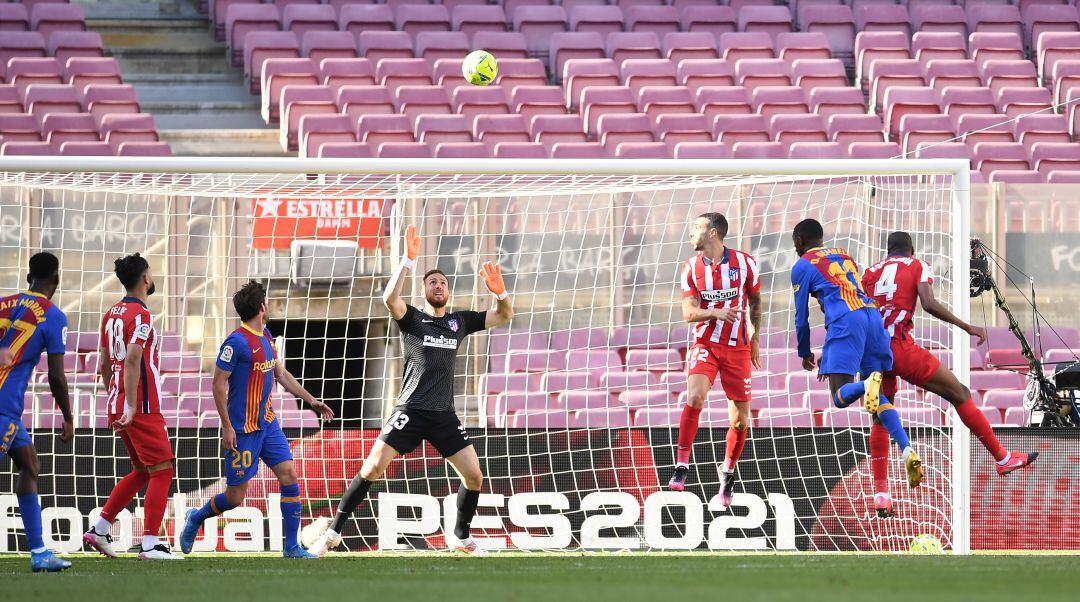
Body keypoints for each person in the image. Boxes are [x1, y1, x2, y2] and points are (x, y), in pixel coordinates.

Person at [308, 225, 513, 556]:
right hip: (410, 410)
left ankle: (460, 536)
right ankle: (331, 534)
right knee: (373, 467)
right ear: (424, 290)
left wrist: (501, 292)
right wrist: (407, 259)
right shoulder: (413, 319)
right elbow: (389, 298)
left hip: (443, 414)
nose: (439, 285)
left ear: (448, 291)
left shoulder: (459, 322)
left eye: (443, 283)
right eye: (432, 282)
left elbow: (505, 315)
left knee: (474, 476)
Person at [861, 231, 1037, 516]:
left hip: (871, 352)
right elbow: (928, 304)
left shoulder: (869, 272)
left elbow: (857, 309)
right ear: (912, 250)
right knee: (960, 393)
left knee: (880, 415)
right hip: (900, 348)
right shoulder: (917, 266)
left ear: (888, 250)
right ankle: (1002, 458)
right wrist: (967, 327)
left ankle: (881, 494)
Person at [180, 281, 335, 556]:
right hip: (242, 431)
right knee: (235, 497)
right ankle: (196, 516)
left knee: (289, 474)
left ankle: (291, 547)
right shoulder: (235, 342)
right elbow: (217, 384)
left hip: (268, 424)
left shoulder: (266, 335)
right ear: (262, 307)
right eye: (267, 301)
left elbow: (281, 374)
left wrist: (311, 400)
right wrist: (227, 427)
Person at [790, 219, 923, 489]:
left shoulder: (802, 265)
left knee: (841, 397)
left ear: (800, 241)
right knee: (879, 398)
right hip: (873, 319)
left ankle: (865, 384)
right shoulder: (843, 254)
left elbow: (801, 317)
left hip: (846, 322)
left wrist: (805, 352)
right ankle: (907, 448)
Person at [83, 253, 181, 560]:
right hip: (141, 406)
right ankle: (151, 544)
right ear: (145, 278)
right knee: (163, 470)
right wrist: (133, 405)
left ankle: (99, 528)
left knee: (142, 470)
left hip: (118, 402)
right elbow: (134, 358)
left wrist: (115, 397)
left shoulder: (111, 313)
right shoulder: (142, 316)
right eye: (150, 272)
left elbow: (102, 363)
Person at [669, 213, 761, 508]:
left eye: (696, 227)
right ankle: (682, 464)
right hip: (705, 343)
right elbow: (687, 313)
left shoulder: (746, 264)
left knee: (740, 419)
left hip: (738, 348)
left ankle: (728, 474)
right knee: (695, 396)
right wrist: (715, 313)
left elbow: (756, 300)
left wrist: (754, 335)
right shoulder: (690, 268)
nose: (690, 232)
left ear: (712, 233)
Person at [0, 252, 74, 572]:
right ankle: (40, 553)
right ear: (55, 280)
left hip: (10, 413)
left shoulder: (4, 303)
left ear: (30, 275)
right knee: (30, 466)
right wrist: (69, 417)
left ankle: (40, 552)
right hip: (3, 407)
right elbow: (56, 377)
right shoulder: (53, 316)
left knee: (30, 464)